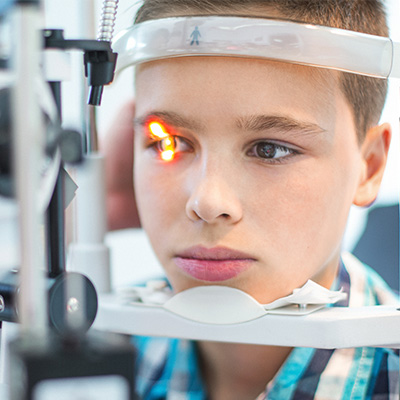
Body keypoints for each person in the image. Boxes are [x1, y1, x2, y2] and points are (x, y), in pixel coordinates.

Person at [103, 0, 399, 398]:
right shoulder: (102, 357)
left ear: (369, 166)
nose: (207, 202)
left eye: (269, 149)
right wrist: (79, 216)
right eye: (168, 143)